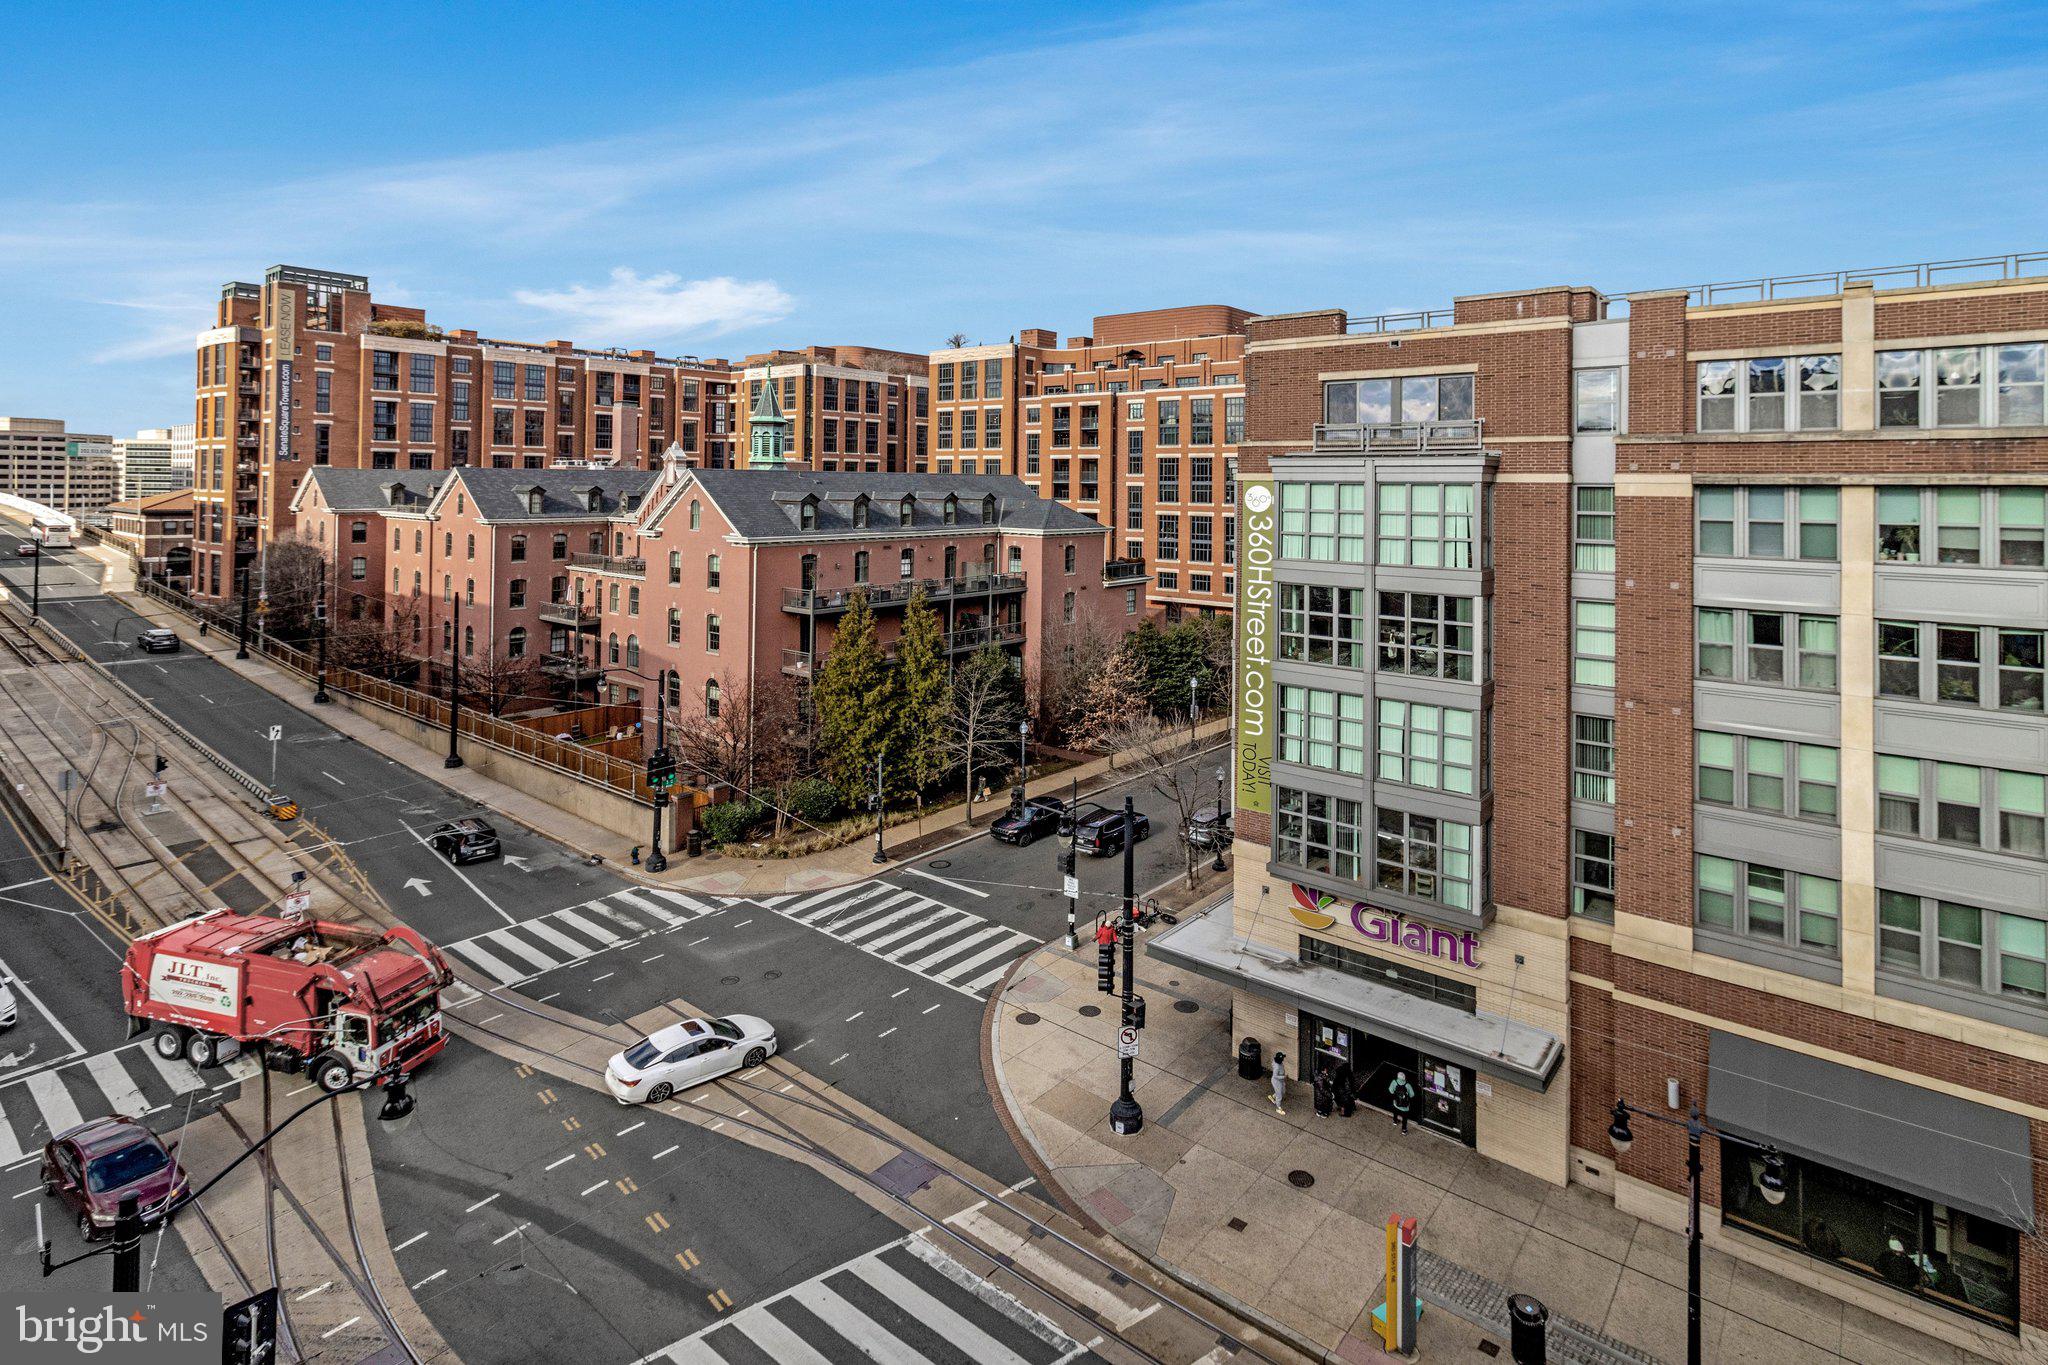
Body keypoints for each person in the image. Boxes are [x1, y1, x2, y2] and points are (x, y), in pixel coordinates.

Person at [1333, 1052, 1356, 1118]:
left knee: (1343, 1103)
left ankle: (1345, 1113)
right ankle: (1351, 1108)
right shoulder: (1349, 1075)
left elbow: (1339, 1085)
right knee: (1348, 1101)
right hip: (1346, 1092)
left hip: (1343, 1092)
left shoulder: (1341, 1075)